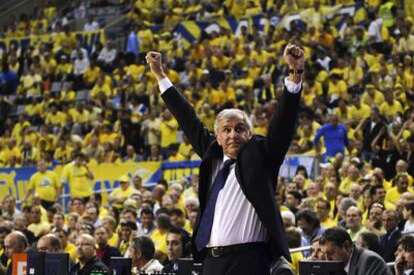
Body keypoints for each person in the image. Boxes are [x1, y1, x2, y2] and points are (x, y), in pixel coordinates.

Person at [146, 43, 304, 275]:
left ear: (249, 134)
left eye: (240, 129)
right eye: (226, 130)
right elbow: (187, 118)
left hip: (249, 261)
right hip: (211, 262)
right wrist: (160, 75)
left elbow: (283, 125)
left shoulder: (261, 156)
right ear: (217, 137)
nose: (233, 135)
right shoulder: (213, 157)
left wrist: (295, 74)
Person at [319, 227, 391, 275]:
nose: (327, 258)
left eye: (330, 253)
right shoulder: (337, 264)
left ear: (346, 246)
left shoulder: (370, 261)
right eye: (324, 253)